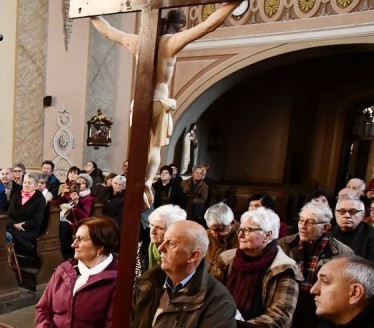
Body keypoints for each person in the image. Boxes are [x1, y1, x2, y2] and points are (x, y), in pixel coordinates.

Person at [91, 3, 240, 185]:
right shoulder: (171, 42)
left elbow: (107, 31)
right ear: (178, 27)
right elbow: (208, 25)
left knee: (138, 146)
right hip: (159, 102)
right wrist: (233, 4)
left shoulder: (137, 41)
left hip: (138, 102)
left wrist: (90, 12)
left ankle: (135, 182)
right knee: (154, 147)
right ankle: (145, 183)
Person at [95, 220, 237, 328]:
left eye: (171, 244)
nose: (160, 247)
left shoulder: (219, 301)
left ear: (193, 256)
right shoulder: (149, 284)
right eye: (164, 241)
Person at [35, 216, 119, 328]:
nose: (73, 244)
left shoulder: (117, 281)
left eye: (81, 239)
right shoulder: (64, 269)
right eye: (75, 238)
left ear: (100, 247)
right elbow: (43, 308)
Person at [211, 208, 302, 328]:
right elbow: (209, 297)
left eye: (248, 230)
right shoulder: (226, 259)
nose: (241, 235)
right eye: (240, 230)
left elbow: (279, 317)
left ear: (268, 235)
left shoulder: (285, 268)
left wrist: (237, 327)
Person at [278, 201, 353, 328]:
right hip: (288, 304)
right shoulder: (283, 245)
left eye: (310, 222)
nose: (302, 226)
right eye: (301, 220)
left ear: (325, 227)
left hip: (321, 310)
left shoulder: (343, 253)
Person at [330, 193, 374, 267]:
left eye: (353, 211)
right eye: (341, 211)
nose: (347, 216)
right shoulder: (328, 232)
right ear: (335, 213)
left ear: (363, 215)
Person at [7, 172, 47, 252]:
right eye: (25, 182)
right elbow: (9, 214)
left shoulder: (40, 199)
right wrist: (14, 224)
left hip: (28, 231)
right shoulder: (16, 195)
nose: (26, 185)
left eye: (29, 183)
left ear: (36, 186)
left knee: (5, 236)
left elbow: (36, 220)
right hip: (13, 227)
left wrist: (22, 226)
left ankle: (9, 261)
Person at [58, 173, 94, 259]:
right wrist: (62, 194)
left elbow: (84, 216)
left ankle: (62, 252)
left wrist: (76, 203)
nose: (80, 184)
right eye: (78, 181)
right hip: (63, 218)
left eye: (83, 182)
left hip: (76, 223)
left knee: (62, 225)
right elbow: (55, 204)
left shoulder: (88, 198)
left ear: (86, 186)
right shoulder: (70, 193)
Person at [143, 204, 186, 272]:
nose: (153, 231)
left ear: (173, 231)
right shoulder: (141, 248)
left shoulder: (181, 255)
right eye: (152, 225)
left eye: (160, 228)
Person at [204, 202, 239, 268]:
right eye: (211, 229)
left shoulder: (242, 238)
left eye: (220, 230)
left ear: (232, 223)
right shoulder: (205, 235)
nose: (214, 234)